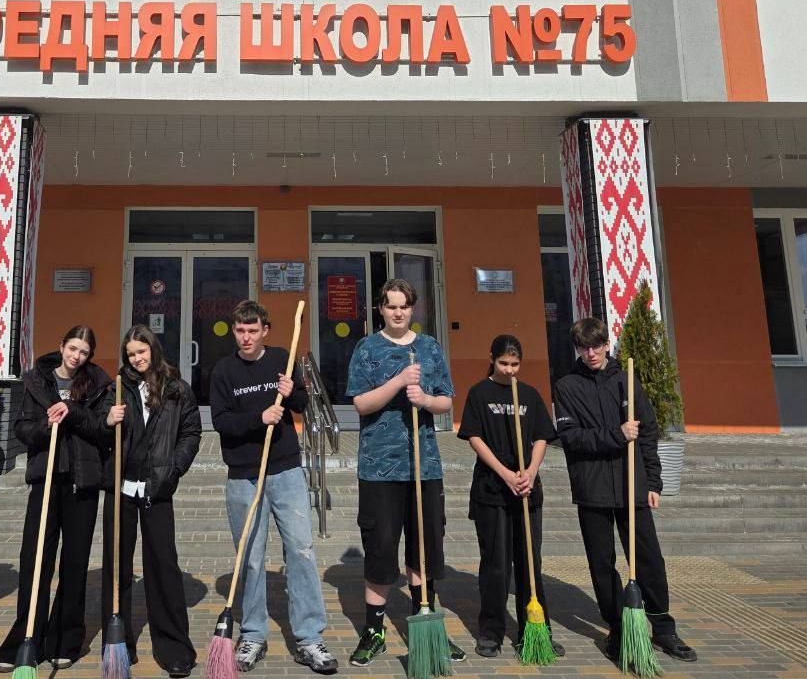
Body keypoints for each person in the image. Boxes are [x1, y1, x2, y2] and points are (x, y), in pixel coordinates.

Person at [552, 317, 696, 664]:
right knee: (602, 562)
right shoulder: (566, 386)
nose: (591, 353)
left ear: (606, 344)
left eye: (596, 346)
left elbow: (647, 433)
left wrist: (654, 482)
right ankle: (618, 627)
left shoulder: (626, 380)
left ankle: (663, 628)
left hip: (632, 485)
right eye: (584, 348)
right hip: (592, 487)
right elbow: (571, 438)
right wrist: (617, 435)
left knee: (648, 559)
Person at [209, 300, 338, 675]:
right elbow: (220, 421)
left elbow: (301, 405)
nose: (246, 337)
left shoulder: (283, 357)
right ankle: (253, 634)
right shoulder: (224, 370)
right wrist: (259, 417)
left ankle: (309, 638)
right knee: (250, 557)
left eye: (253, 331)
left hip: (285, 471)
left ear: (265, 330)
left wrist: (292, 390)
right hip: (243, 475)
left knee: (301, 550)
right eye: (240, 331)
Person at [345, 279, 462, 667]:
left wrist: (425, 399)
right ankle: (374, 632)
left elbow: (446, 401)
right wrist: (398, 382)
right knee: (380, 551)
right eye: (391, 306)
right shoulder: (366, 348)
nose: (398, 313)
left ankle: (426, 626)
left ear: (413, 309)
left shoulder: (429, 347)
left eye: (404, 306)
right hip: (378, 469)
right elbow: (361, 404)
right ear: (381, 308)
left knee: (424, 550)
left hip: (423, 467)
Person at [0, 326, 112, 673]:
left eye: (84, 352)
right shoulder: (36, 381)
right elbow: (21, 429)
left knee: (74, 563)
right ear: (61, 346)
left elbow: (102, 430)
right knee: (35, 561)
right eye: (72, 348)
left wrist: (72, 410)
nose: (77, 356)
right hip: (46, 481)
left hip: (82, 483)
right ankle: (26, 636)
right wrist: (45, 426)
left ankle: (66, 636)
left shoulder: (99, 384)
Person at [100, 325, 201, 678]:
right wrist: (106, 420)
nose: (136, 359)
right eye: (130, 354)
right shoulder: (116, 388)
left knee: (163, 566)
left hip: (157, 489)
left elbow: (191, 432)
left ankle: (174, 648)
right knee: (117, 567)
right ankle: (118, 644)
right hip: (120, 488)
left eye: (141, 352)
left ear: (153, 350)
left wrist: (174, 469)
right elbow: (98, 429)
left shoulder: (176, 389)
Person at [456, 335, 563, 660]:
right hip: (492, 488)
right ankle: (491, 631)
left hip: (526, 490)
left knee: (530, 562)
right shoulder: (479, 393)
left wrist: (530, 471)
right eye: (504, 363)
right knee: (496, 564)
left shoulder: (529, 394)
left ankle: (536, 629)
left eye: (515, 364)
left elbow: (542, 436)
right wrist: (504, 473)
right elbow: (474, 437)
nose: (510, 370)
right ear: (492, 358)